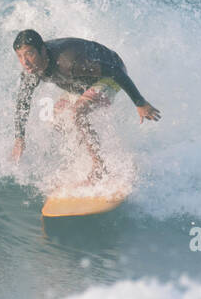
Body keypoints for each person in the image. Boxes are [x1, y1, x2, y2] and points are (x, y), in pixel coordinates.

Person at [10, 29, 160, 184]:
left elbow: (116, 71)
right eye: (20, 56)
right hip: (79, 82)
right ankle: (81, 159)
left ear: (42, 50)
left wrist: (140, 103)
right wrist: (19, 138)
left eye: (29, 54)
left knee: (77, 113)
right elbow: (23, 102)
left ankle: (100, 167)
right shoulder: (31, 70)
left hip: (110, 75)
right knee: (55, 120)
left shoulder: (69, 62)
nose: (25, 62)